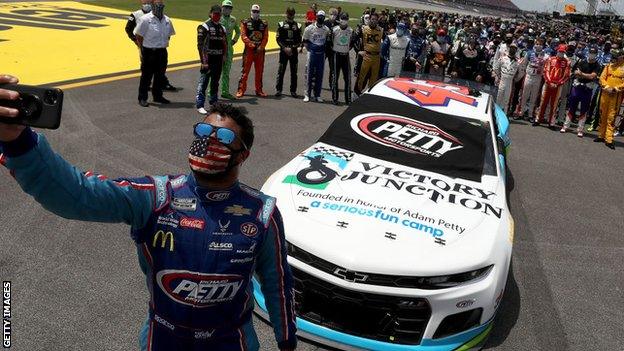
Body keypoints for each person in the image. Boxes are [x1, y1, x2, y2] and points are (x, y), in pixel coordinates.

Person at [0, 77, 297, 351]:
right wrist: (19, 142)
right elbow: (75, 194)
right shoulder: (155, 196)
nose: (209, 140)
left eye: (223, 137)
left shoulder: (262, 213)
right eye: (203, 131)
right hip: (163, 339)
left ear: (243, 154)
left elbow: (277, 284)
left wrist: (286, 341)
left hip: (233, 341)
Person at [125, 0, 178, 93]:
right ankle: (148, 86)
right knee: (146, 67)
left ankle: (162, 83)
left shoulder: (161, 17)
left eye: (149, 3)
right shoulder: (135, 15)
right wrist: (135, 41)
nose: (147, 4)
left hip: (159, 47)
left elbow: (167, 33)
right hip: (144, 45)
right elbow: (128, 29)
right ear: (141, 3)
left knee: (159, 67)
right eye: (145, 3)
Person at [561, 47, 600, 137]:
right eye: (590, 52)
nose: (591, 55)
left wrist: (582, 74)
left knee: (584, 109)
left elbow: (592, 76)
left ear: (596, 54)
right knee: (572, 107)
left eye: (593, 53)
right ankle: (565, 126)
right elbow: (575, 72)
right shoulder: (581, 61)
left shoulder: (597, 65)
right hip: (577, 87)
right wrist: (583, 75)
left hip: (587, 89)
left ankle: (580, 129)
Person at [195, 5, 228, 114]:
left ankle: (214, 103)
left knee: (215, 82)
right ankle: (200, 104)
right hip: (208, 60)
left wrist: (224, 56)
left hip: (218, 60)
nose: (217, 16)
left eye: (219, 14)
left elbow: (225, 43)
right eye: (215, 14)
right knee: (203, 82)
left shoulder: (222, 28)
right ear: (210, 13)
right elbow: (200, 46)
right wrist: (203, 61)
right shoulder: (204, 26)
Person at [534, 44, 571, 128]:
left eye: (562, 52)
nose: (561, 53)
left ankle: (551, 122)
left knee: (554, 104)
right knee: (543, 101)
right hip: (548, 84)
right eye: (560, 51)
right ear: (557, 51)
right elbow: (546, 70)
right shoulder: (550, 59)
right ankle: (538, 119)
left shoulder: (567, 62)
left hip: (558, 86)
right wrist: (549, 82)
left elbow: (566, 75)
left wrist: (558, 83)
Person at [236, 4, 269, 98]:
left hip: (260, 51)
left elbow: (266, 37)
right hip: (249, 51)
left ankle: (259, 90)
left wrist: (261, 47)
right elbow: (243, 36)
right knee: (245, 71)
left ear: (259, 12)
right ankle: (241, 90)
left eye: (257, 12)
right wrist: (252, 45)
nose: (255, 13)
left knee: (259, 71)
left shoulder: (264, 23)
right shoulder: (245, 22)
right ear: (251, 11)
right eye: (254, 11)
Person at [595, 48, 624, 149]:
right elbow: (601, 78)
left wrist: (615, 89)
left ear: (621, 56)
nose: (614, 58)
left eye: (616, 56)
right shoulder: (608, 66)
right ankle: (601, 135)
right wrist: (607, 88)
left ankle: (609, 138)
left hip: (616, 96)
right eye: (613, 56)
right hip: (605, 94)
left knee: (611, 117)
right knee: (602, 114)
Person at [302, 10, 330, 102]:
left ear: (324, 18)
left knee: (319, 74)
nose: (320, 18)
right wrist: (309, 51)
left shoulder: (326, 30)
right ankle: (307, 94)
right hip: (312, 53)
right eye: (319, 17)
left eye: (322, 17)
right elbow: (305, 41)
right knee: (309, 74)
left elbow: (327, 41)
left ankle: (317, 95)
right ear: (316, 17)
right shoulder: (309, 28)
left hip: (321, 55)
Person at [515, 38, 546, 121]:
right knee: (524, 95)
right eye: (537, 43)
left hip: (538, 77)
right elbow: (523, 64)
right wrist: (522, 74)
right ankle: (520, 113)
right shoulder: (529, 53)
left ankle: (530, 114)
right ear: (535, 44)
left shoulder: (545, 55)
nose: (538, 45)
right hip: (529, 76)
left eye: (540, 44)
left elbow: (546, 67)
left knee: (534, 96)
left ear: (543, 45)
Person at [215, 0, 240, 100]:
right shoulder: (218, 18)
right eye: (225, 7)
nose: (227, 9)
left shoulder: (233, 19)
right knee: (215, 72)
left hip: (229, 49)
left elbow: (238, 32)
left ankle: (225, 92)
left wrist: (234, 40)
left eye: (229, 8)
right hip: (218, 49)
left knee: (226, 72)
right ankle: (211, 92)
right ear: (222, 7)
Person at [275, 7, 302, 98]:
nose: (290, 15)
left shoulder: (298, 26)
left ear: (294, 14)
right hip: (283, 52)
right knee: (281, 71)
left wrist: (292, 48)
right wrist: (285, 48)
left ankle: (293, 91)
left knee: (294, 72)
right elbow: (278, 39)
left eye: (292, 13)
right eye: (289, 13)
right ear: (286, 13)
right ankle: (279, 90)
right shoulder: (281, 24)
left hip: (293, 53)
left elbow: (299, 40)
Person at [354, 12, 383, 95]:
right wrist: (358, 51)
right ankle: (357, 92)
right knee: (362, 75)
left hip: (376, 57)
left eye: (376, 20)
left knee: (374, 77)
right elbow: (354, 39)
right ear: (369, 19)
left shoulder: (381, 30)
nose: (374, 21)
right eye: (372, 19)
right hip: (366, 55)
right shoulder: (363, 29)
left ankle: (370, 93)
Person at [331, 12, 353, 105]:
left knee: (348, 78)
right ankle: (335, 98)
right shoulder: (334, 30)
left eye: (345, 19)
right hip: (336, 55)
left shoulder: (350, 31)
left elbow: (352, 42)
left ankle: (348, 99)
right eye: (342, 18)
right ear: (339, 19)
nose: (344, 21)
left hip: (345, 55)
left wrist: (346, 48)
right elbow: (330, 42)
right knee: (335, 77)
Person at [493, 44, 520, 114]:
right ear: (509, 49)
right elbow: (496, 68)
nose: (513, 50)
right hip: (502, 80)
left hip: (510, 81)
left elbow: (520, 72)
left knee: (506, 99)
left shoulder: (517, 62)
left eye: (514, 49)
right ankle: (496, 113)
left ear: (516, 51)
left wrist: (515, 79)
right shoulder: (502, 58)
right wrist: (500, 76)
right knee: (499, 98)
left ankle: (504, 114)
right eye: (512, 48)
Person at [324, 8, 339, 87]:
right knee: (320, 65)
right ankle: (316, 81)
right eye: (331, 14)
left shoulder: (338, 24)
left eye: (335, 15)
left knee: (333, 67)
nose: (333, 16)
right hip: (325, 48)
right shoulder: (325, 23)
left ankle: (331, 83)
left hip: (333, 49)